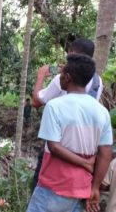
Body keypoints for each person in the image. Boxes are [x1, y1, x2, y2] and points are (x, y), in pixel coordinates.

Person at [26, 54, 113, 212]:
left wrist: (84, 163)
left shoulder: (54, 106)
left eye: (61, 74)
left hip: (53, 185)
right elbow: (105, 153)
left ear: (67, 77)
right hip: (82, 188)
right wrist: (94, 188)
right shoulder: (102, 112)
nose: (58, 77)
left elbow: (53, 146)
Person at [30, 38, 105, 190]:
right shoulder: (98, 82)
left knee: (42, 190)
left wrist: (41, 76)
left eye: (69, 52)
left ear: (73, 54)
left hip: (59, 147)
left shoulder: (62, 78)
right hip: (84, 149)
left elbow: (36, 101)